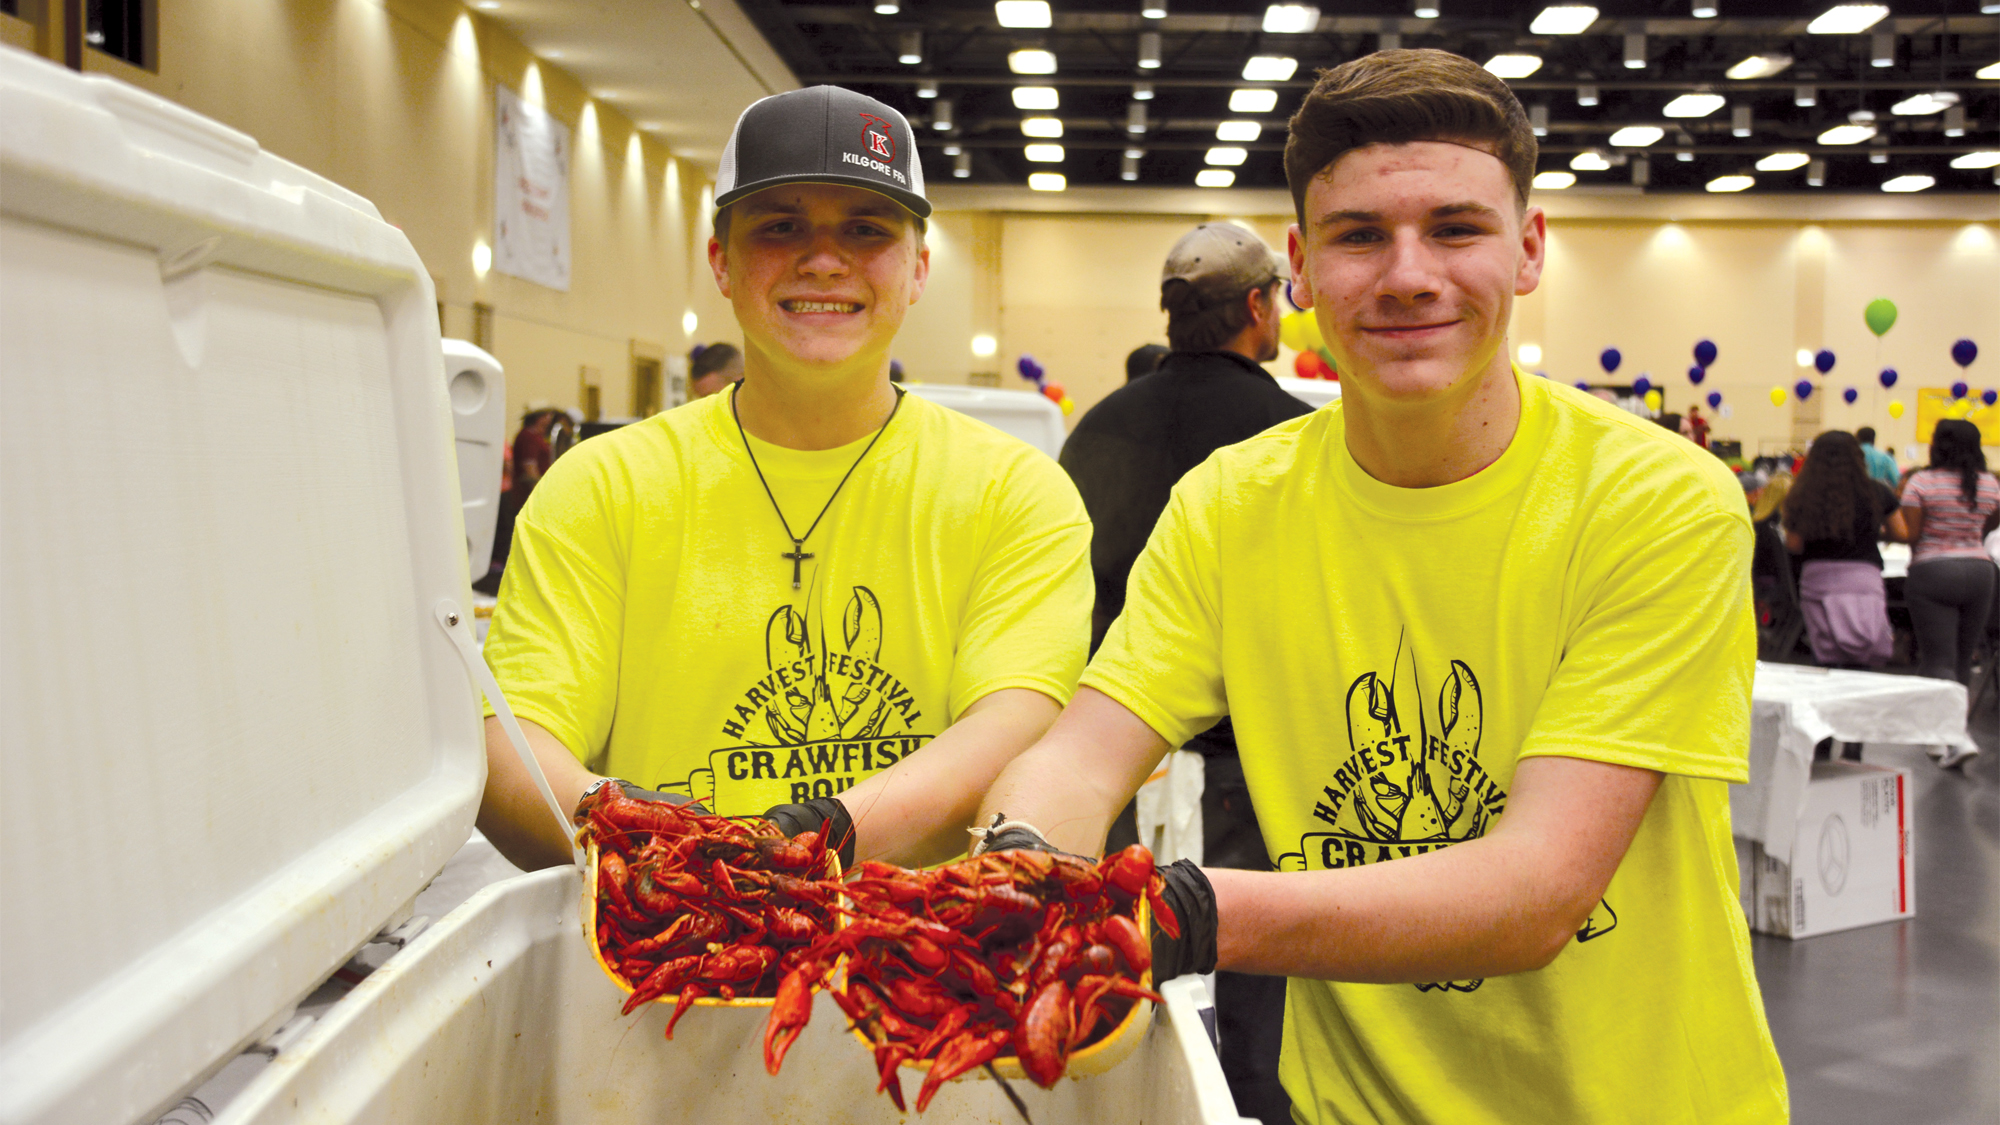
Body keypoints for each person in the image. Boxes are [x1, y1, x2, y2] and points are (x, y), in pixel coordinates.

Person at [974, 49, 1786, 1124]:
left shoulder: (1653, 499)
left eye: (1454, 228)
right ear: (1299, 273)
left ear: (1528, 248)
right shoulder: (1231, 506)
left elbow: (1537, 890)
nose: (1407, 273)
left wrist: (1169, 913)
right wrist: (1022, 863)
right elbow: (1083, 749)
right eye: (1360, 236)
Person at [477, 85, 1092, 873]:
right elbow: (514, 742)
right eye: (781, 226)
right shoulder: (601, 486)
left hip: (916, 970)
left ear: (917, 269)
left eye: (866, 229)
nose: (824, 259)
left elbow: (1015, 719)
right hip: (666, 965)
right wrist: (662, 846)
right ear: (721, 262)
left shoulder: (1015, 491)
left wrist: (824, 834)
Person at [1056, 221, 1311, 1125]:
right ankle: (1252, 1100)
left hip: (1106, 728)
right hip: (1250, 733)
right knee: (1261, 940)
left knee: (1097, 925)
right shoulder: (1292, 434)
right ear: (1256, 305)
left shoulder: (1097, 424)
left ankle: (1101, 1082)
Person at [1782, 430, 1907, 668]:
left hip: (1818, 579)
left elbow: (1794, 544)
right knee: (1865, 649)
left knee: (1827, 654)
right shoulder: (1877, 491)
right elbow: (1902, 533)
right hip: (1864, 579)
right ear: (1858, 458)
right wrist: (1873, 532)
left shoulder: (1802, 494)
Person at [1899, 419, 2000, 700]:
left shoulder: (1920, 482)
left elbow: (1912, 534)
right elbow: (1989, 525)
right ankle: (1957, 732)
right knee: (1963, 658)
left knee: (1938, 660)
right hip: (1980, 570)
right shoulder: (1989, 483)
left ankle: (1939, 739)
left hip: (1933, 571)